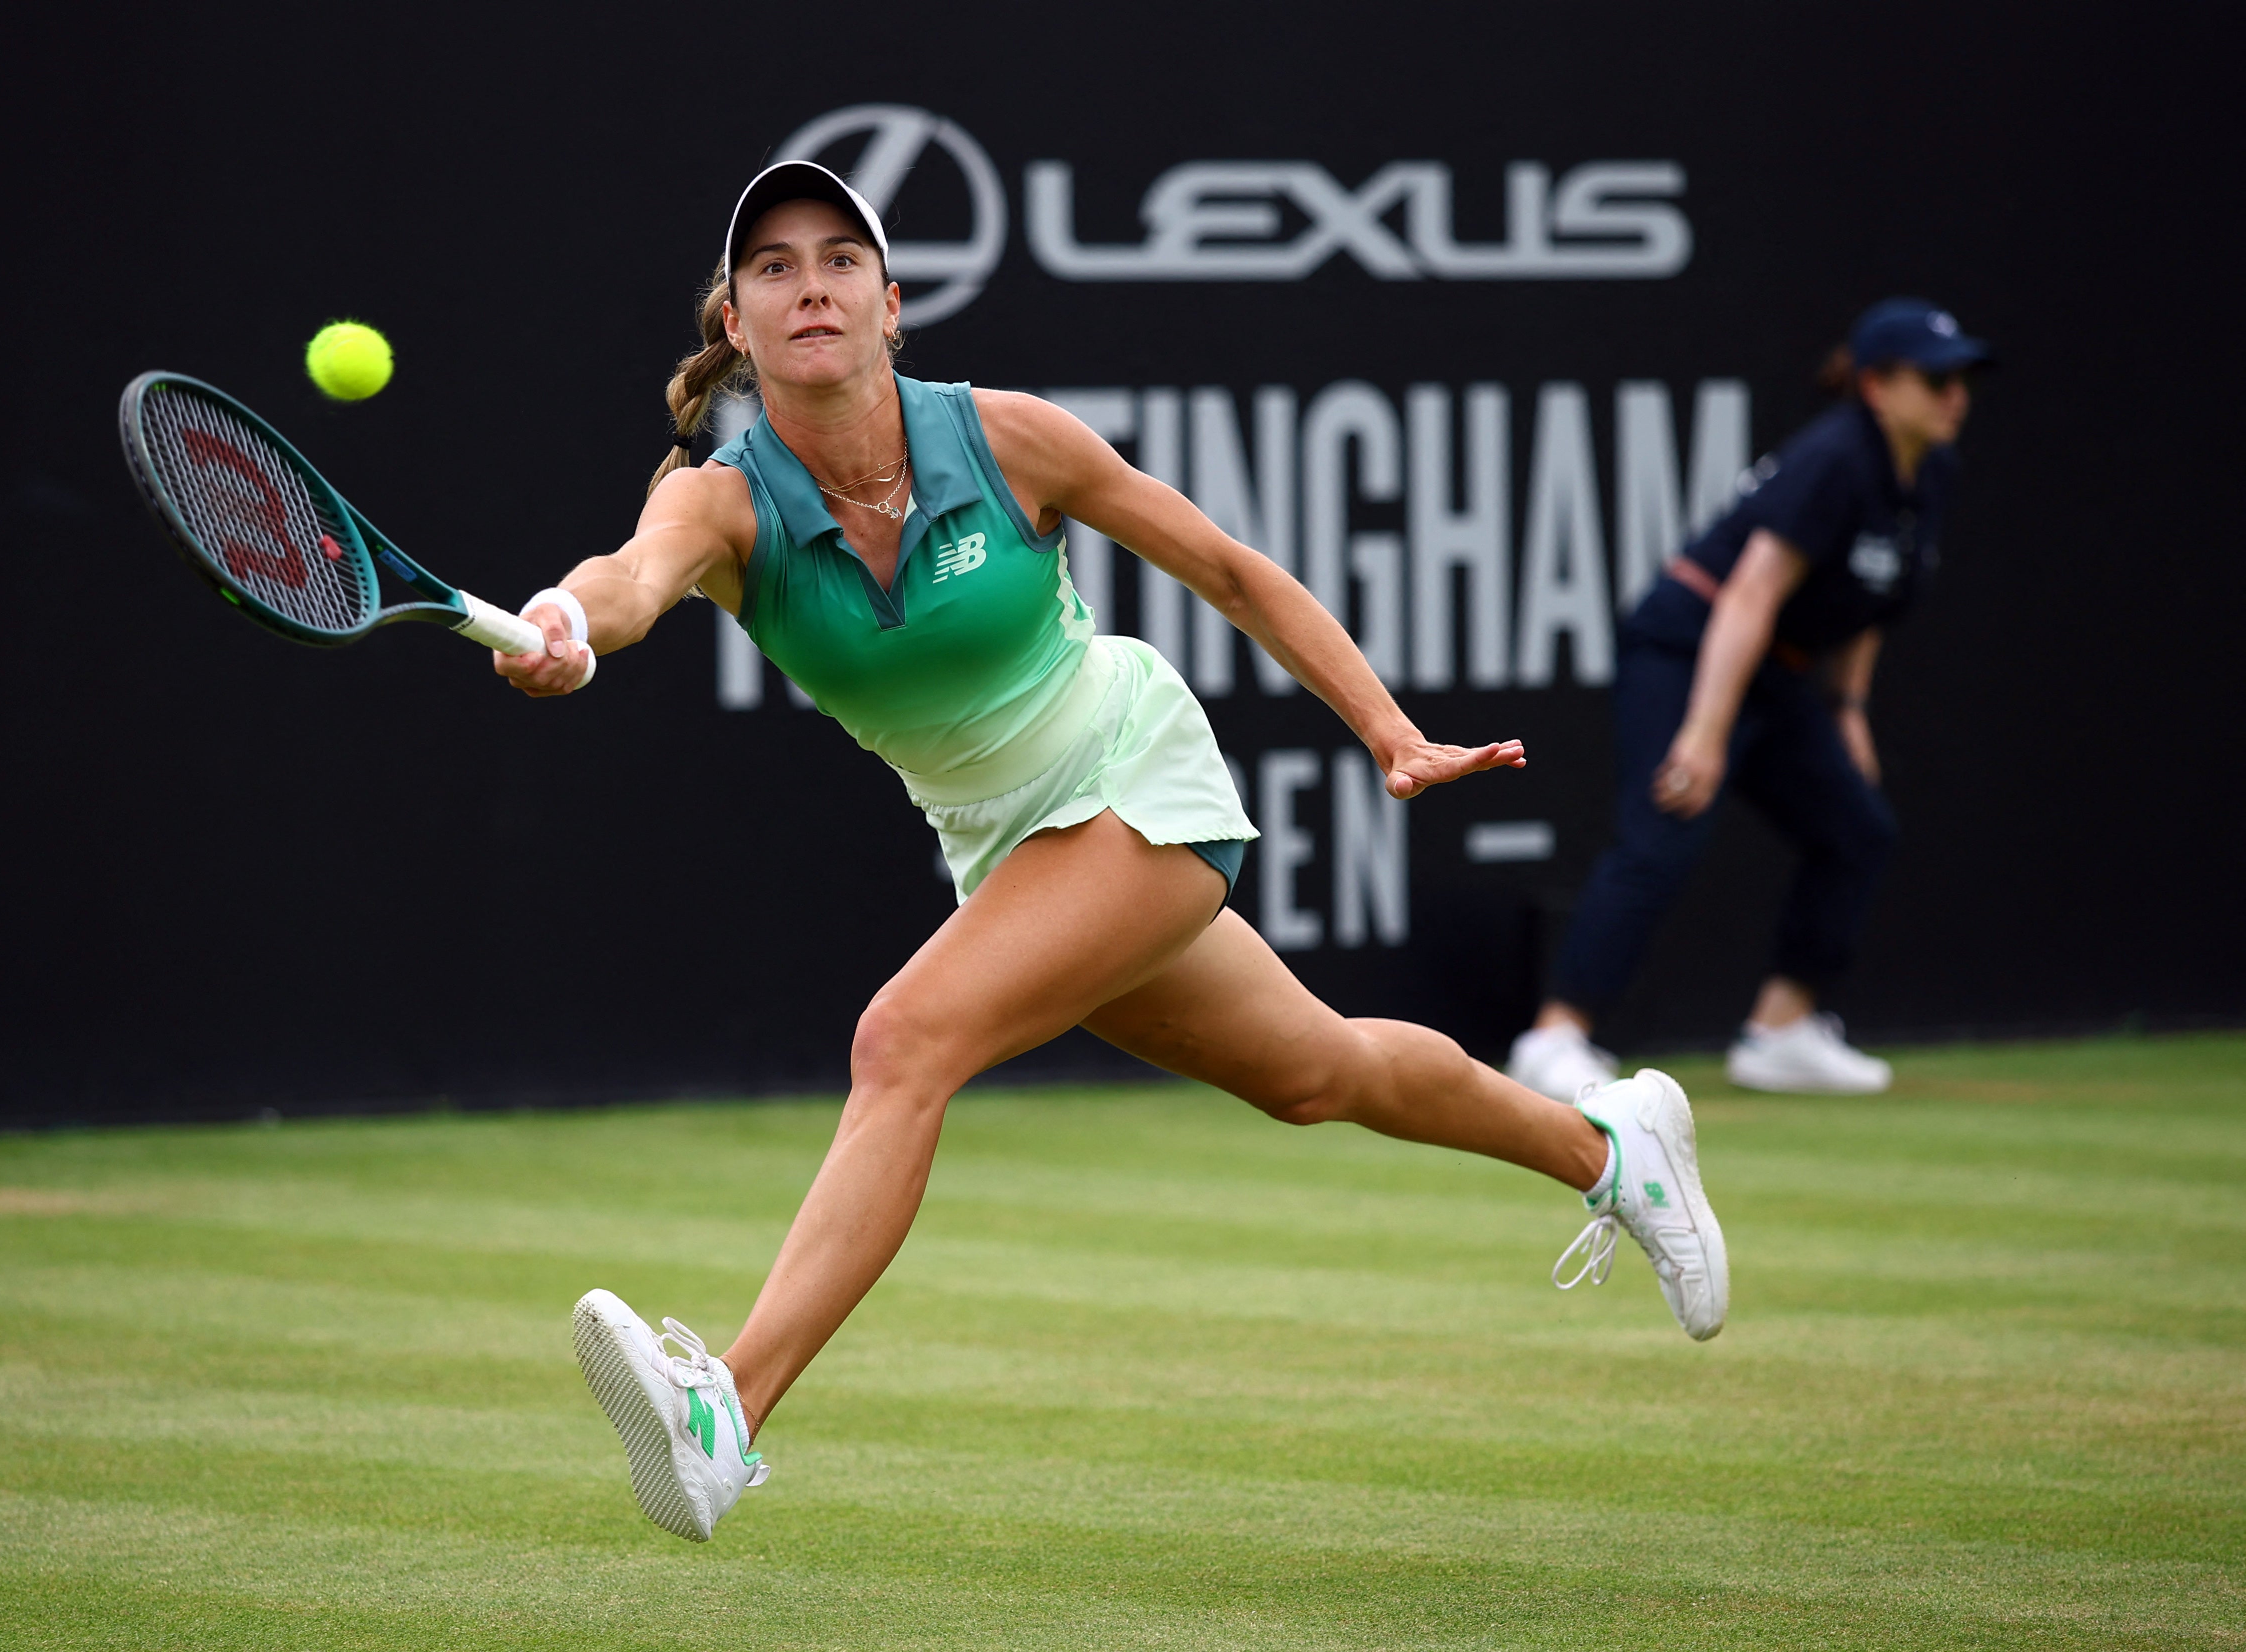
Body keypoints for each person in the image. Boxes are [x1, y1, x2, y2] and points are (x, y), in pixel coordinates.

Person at [497, 161, 1730, 1542]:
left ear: (892, 306)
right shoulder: (725, 507)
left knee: (904, 1043)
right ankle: (1612, 1149)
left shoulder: (1009, 438)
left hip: (1134, 778)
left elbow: (1231, 573)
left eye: (841, 259)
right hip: (1007, 847)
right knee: (1320, 1075)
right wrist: (562, 619)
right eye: (774, 267)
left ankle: (728, 1414)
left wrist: (1388, 733)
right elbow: (627, 581)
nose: (811, 287)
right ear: (736, 320)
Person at [1507, 300, 1988, 1103]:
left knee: (1855, 829)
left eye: (1961, 379)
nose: (1954, 397)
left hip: (1779, 668)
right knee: (1666, 825)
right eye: (1935, 379)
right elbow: (1749, 593)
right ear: (1874, 384)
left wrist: (1847, 713)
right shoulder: (1835, 458)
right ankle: (1554, 1039)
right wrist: (1704, 732)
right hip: (1689, 646)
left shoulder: (1930, 471)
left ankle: (1781, 1033)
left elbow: (1872, 600)